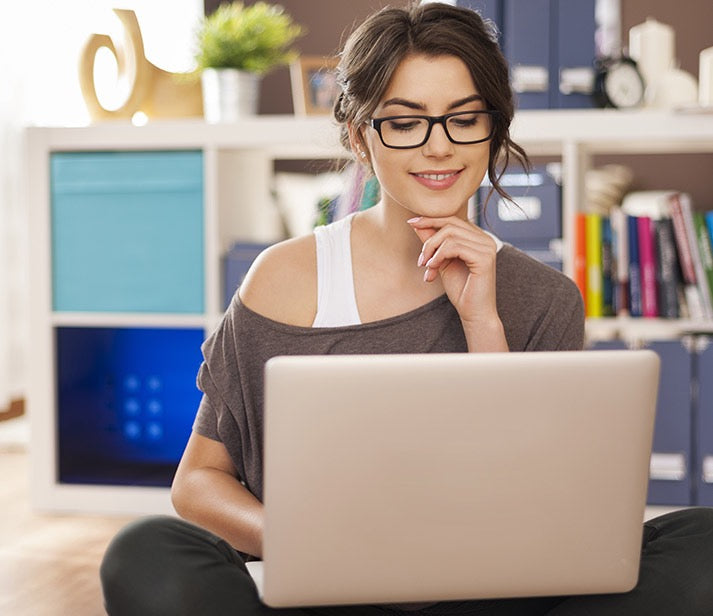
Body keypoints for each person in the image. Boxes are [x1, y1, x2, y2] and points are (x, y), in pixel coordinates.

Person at [100, 3, 713, 615]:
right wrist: (316, 549)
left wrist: (483, 322)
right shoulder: (282, 278)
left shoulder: (544, 298)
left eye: (464, 119)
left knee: (701, 543)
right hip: (326, 587)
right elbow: (198, 482)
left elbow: (531, 504)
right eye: (405, 122)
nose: (439, 147)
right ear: (358, 135)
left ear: (493, 129)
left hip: (485, 591)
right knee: (146, 551)